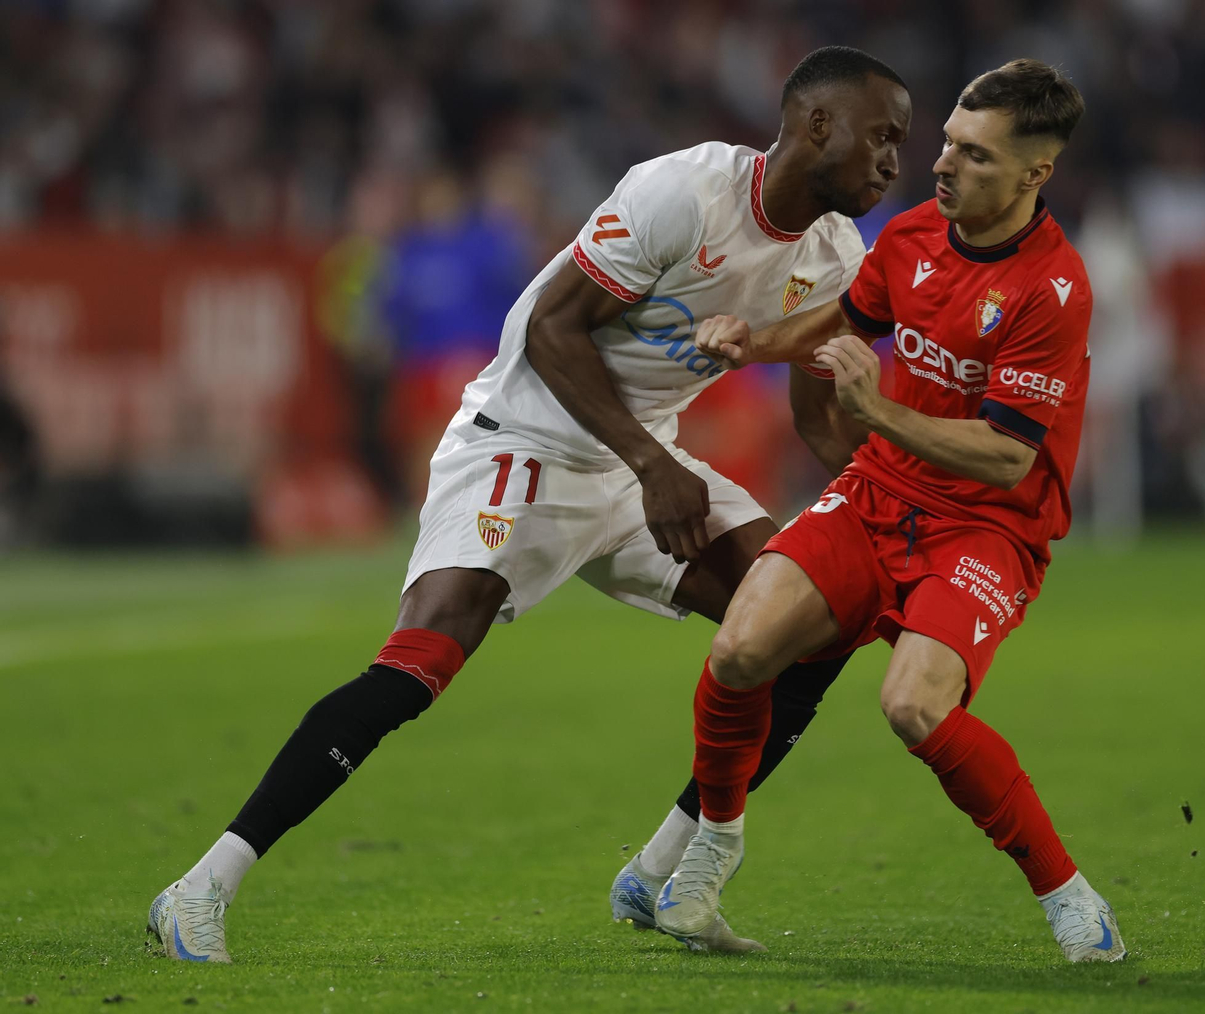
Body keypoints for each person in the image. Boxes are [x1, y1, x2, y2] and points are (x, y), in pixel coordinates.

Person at [146, 45, 912, 963]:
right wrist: (651, 464)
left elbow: (816, 420)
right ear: (818, 124)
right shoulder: (685, 191)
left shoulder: (833, 254)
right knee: (421, 659)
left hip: (643, 463)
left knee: (817, 620)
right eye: (883, 136)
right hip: (522, 437)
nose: (893, 163)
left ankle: (664, 871)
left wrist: (903, 510)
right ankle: (201, 887)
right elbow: (552, 327)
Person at [650, 59, 1127, 963]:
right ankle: (711, 849)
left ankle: (1070, 897)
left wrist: (876, 415)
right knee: (742, 646)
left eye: (976, 157)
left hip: (988, 525)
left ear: (1036, 175)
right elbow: (841, 325)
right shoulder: (912, 235)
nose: (943, 166)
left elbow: (1006, 456)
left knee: (912, 706)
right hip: (883, 491)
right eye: (947, 142)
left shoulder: (1051, 291)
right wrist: (752, 343)